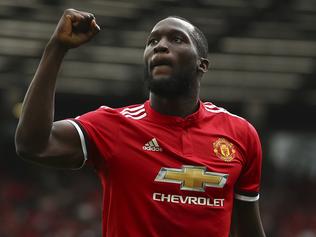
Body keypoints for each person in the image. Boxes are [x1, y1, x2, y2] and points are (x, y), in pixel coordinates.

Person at [15, 8, 266, 237]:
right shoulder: (113, 126)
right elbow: (33, 144)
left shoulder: (240, 134)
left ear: (202, 64)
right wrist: (56, 48)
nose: (160, 46)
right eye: (152, 41)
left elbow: (249, 230)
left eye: (176, 39)